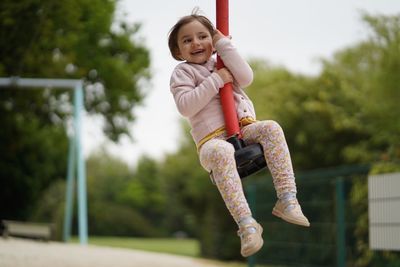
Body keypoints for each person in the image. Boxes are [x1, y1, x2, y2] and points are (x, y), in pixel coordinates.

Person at [168, 11, 310, 258]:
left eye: (203, 36)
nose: (196, 43)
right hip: (211, 141)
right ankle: (247, 225)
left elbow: (247, 77)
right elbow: (186, 106)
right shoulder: (183, 73)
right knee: (221, 151)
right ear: (178, 51)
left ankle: (287, 198)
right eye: (187, 40)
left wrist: (225, 46)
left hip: (242, 128)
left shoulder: (222, 60)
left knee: (272, 128)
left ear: (213, 41)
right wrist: (216, 80)